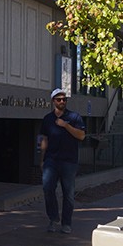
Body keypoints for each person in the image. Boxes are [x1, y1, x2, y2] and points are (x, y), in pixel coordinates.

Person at [39, 88, 86, 233]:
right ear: (53, 101)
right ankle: (53, 218)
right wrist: (42, 159)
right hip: (51, 161)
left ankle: (66, 223)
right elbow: (44, 139)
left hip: (69, 161)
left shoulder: (74, 117)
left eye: (64, 99)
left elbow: (81, 136)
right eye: (59, 99)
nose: (62, 102)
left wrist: (66, 125)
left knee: (68, 194)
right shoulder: (47, 119)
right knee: (47, 188)